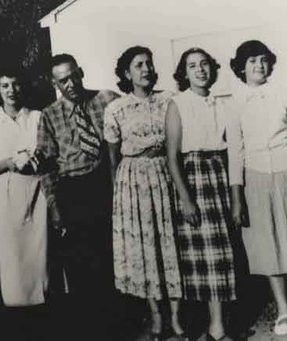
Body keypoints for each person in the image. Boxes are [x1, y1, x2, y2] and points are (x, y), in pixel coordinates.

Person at [227, 40, 287, 336]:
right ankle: (281, 310)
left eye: (263, 59)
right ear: (241, 68)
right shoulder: (235, 103)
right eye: (252, 61)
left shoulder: (285, 95)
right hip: (255, 177)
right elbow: (235, 153)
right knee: (267, 245)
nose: (259, 65)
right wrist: (236, 197)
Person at [37, 53, 120, 340]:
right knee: (80, 264)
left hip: (104, 184)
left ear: (81, 72)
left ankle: (117, 325)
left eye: (73, 76)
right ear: (55, 83)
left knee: (110, 257)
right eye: (62, 81)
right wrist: (54, 207)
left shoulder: (106, 99)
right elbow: (47, 166)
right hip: (72, 191)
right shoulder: (49, 115)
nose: (70, 84)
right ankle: (91, 329)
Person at [104, 46, 183, 340]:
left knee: (170, 244)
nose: (146, 69)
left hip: (165, 174)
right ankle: (156, 318)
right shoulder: (116, 108)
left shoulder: (169, 100)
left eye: (148, 64)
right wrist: (117, 194)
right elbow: (113, 156)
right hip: (132, 181)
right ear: (127, 73)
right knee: (146, 250)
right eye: (138, 65)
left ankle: (177, 318)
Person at [165, 47, 236, 341]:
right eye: (192, 66)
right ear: (184, 73)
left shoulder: (223, 103)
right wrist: (185, 198)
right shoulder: (178, 104)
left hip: (219, 173)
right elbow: (171, 156)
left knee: (223, 253)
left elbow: (233, 149)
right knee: (201, 257)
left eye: (205, 64)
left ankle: (217, 328)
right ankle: (200, 326)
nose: (200, 70)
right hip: (193, 178)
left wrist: (235, 193)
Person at [0, 68, 48, 339]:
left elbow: (50, 153)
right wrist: (8, 162)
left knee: (39, 254)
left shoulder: (38, 117)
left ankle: (42, 317)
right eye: (5, 85)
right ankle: (16, 321)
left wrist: (38, 159)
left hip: (37, 188)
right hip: (6, 191)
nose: (11, 90)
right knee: (13, 256)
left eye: (15, 84)